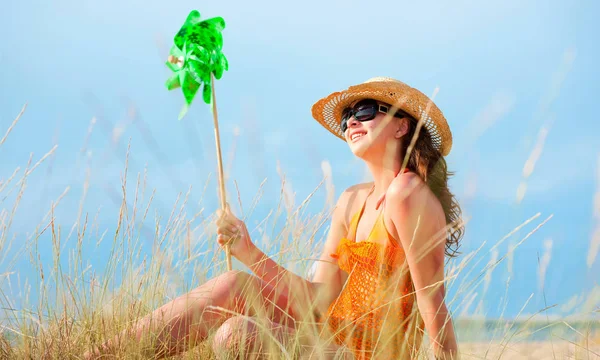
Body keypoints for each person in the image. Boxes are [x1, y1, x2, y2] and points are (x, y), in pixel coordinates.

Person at [84, 77, 463, 359]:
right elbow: (316, 301)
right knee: (234, 284)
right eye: (347, 115)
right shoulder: (351, 201)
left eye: (365, 111)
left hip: (369, 353)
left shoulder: (408, 194)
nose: (351, 121)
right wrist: (248, 251)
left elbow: (434, 305)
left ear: (401, 125)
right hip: (329, 337)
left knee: (237, 335)